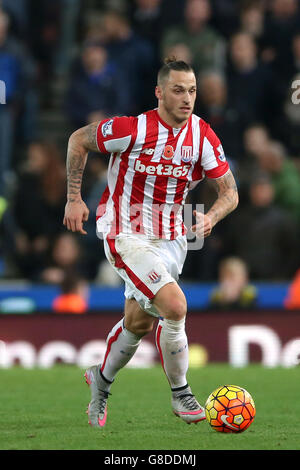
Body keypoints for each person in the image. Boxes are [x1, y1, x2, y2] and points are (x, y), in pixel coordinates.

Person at [63, 58, 239, 428]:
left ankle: (101, 379)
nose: (187, 98)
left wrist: (211, 217)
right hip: (124, 232)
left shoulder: (202, 136)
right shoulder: (132, 128)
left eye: (192, 90)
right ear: (159, 92)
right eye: (177, 89)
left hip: (171, 239)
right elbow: (78, 139)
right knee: (175, 306)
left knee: (139, 321)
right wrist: (74, 198)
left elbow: (230, 192)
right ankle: (181, 393)